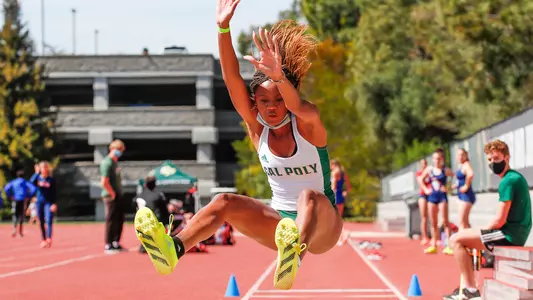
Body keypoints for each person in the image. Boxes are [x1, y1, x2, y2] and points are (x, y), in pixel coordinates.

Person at [133, 0, 343, 290]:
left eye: (279, 99)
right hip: (280, 225)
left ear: (288, 95)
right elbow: (232, 80)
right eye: (264, 101)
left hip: (323, 226)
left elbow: (296, 103)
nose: (272, 107)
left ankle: (294, 258)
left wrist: (279, 77)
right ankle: (173, 249)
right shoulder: (258, 131)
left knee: (308, 195)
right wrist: (223, 27)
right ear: (254, 103)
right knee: (224, 202)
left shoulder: (307, 123)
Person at [443, 139, 531, 300]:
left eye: (496, 158)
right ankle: (468, 287)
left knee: (456, 240)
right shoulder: (514, 177)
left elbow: (499, 221)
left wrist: (479, 231)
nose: (492, 163)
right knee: (464, 237)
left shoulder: (508, 181)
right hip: (514, 232)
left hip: (509, 235)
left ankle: (470, 289)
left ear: (507, 158)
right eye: (490, 160)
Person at [417, 150, 455, 255]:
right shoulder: (429, 169)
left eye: (439, 158)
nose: (437, 160)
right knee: (433, 223)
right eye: (435, 158)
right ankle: (433, 245)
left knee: (445, 222)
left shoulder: (445, 170)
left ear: (441, 159)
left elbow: (454, 176)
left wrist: (448, 188)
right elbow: (420, 179)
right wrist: (425, 189)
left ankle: (449, 246)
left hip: (442, 197)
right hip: (432, 198)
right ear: (432, 159)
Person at [100, 139, 126, 253]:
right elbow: (104, 181)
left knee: (119, 219)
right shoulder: (107, 162)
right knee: (111, 220)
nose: (119, 152)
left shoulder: (115, 163)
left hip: (118, 195)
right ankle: (108, 243)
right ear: (112, 149)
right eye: (118, 149)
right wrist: (112, 193)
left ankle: (116, 242)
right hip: (110, 196)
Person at [134, 175, 170, 254]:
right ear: (155, 184)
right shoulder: (158, 195)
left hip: (141, 223)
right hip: (154, 222)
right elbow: (164, 210)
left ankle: (145, 245)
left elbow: (134, 206)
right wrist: (167, 222)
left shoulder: (139, 196)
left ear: (145, 184)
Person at [30, 161, 57, 248]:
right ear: (40, 169)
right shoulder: (37, 179)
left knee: (49, 220)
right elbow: (31, 183)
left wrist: (54, 203)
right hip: (39, 202)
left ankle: (49, 238)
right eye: (42, 168)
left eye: (46, 167)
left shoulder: (51, 180)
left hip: (48, 202)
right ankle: (43, 239)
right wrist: (36, 173)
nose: (44, 169)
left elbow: (54, 193)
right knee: (41, 221)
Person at [4, 170, 37, 237]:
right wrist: (28, 196)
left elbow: (6, 188)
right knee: (21, 215)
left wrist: (10, 195)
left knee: (15, 214)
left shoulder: (14, 182)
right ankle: (20, 231)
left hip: (15, 199)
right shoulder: (25, 182)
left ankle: (14, 229)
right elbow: (33, 188)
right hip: (23, 200)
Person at [452, 148, 476, 229]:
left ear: (466, 155)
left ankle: (463, 241)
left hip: (466, 196)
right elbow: (460, 179)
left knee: (462, 223)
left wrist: (466, 186)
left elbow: (470, 174)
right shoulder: (462, 165)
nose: (460, 157)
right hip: (461, 196)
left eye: (462, 154)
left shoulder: (466, 164)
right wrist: (454, 186)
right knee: (465, 223)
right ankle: (471, 240)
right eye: (458, 155)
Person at [330, 159, 351, 246]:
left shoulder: (334, 173)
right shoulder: (343, 173)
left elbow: (333, 187)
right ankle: (341, 236)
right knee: (339, 218)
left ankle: (342, 235)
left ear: (333, 165)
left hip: (335, 196)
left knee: (335, 219)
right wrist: (345, 192)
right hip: (340, 196)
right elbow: (349, 186)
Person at [415, 159, 431, 245]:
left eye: (425, 163)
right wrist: (426, 190)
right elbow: (420, 182)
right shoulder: (419, 173)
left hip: (431, 195)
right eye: (422, 163)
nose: (424, 165)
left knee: (433, 217)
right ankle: (424, 236)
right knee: (424, 217)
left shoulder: (430, 172)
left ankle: (435, 237)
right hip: (423, 195)